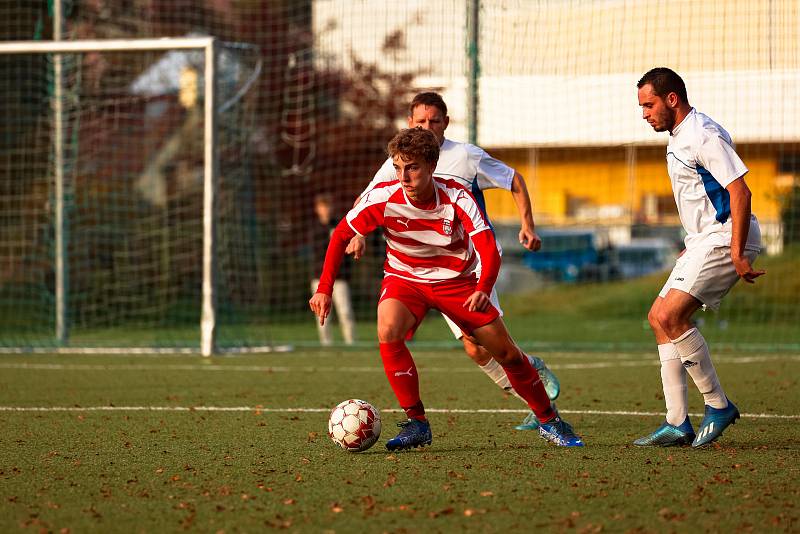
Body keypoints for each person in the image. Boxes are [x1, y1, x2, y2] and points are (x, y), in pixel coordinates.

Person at [310, 128, 584, 449]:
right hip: (405, 279)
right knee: (387, 329)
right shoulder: (383, 197)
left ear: (431, 166)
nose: (404, 177)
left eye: (412, 168)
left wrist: (483, 287)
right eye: (398, 168)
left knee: (506, 354)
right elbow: (342, 234)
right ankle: (417, 423)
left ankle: (550, 421)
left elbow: (488, 247)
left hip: (457, 283)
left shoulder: (456, 196)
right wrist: (324, 288)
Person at [347, 92, 560, 431]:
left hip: (471, 266)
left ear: (446, 122)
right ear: (410, 123)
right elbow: (368, 197)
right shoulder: (400, 160)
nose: (427, 126)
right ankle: (531, 377)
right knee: (476, 351)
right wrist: (357, 233)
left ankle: (539, 401)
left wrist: (527, 225)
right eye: (420, 121)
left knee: (492, 346)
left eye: (434, 120)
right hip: (424, 271)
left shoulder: (466, 156)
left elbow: (514, 180)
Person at [635, 67, 765, 448]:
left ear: (671, 98)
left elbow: (740, 193)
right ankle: (677, 422)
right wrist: (692, 242)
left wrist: (737, 252)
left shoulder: (702, 134)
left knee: (669, 316)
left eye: (649, 104)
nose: (644, 114)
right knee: (658, 320)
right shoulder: (679, 136)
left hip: (726, 237)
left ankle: (718, 404)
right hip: (704, 240)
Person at [310, 193, 356, 346]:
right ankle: (326, 344)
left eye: (327, 206)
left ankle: (351, 343)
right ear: (317, 209)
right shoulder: (315, 230)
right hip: (320, 279)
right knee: (322, 314)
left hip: (340, 278)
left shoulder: (340, 225)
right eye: (322, 206)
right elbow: (318, 254)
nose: (325, 209)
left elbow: (347, 251)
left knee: (345, 312)